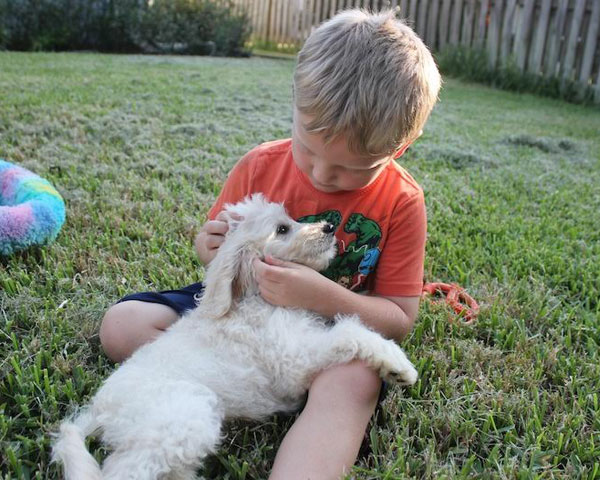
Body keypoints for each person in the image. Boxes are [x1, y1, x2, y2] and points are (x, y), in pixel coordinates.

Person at [99, 8, 441, 479]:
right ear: (294, 105)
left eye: (351, 169)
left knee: (355, 381)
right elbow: (217, 256)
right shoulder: (259, 165)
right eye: (308, 147)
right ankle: (236, 382)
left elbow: (399, 319)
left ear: (399, 148)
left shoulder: (402, 202)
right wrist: (207, 243)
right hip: (239, 316)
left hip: (325, 330)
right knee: (122, 324)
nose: (322, 174)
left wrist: (320, 296)